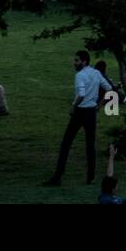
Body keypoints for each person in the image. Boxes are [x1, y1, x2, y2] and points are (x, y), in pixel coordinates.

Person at [44, 49, 104, 186]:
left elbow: (81, 94)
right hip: (91, 113)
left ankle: (58, 176)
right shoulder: (96, 73)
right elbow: (108, 88)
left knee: (66, 143)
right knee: (90, 145)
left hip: (80, 112)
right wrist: (99, 105)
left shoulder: (80, 75)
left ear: (84, 61)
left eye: (77, 60)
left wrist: (73, 106)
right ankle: (90, 177)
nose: (74, 63)